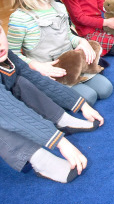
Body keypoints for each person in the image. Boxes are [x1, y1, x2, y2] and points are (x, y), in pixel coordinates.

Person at [0, 22, 104, 183]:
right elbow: (8, 110)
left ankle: (63, 120)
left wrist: (79, 103)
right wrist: (58, 141)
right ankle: (39, 160)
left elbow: (34, 78)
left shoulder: (7, 55)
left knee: (21, 81)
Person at [7, 0, 113, 106]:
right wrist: (36, 65)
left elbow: (66, 36)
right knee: (88, 97)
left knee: (106, 89)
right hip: (51, 74)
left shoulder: (59, 7)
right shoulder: (20, 19)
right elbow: (11, 55)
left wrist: (81, 41)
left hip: (74, 65)